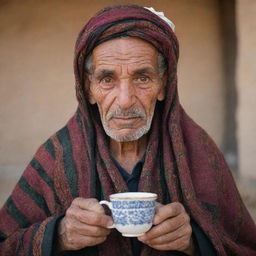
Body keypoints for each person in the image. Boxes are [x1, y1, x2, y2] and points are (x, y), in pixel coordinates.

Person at [0, 4, 255, 256]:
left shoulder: (198, 152)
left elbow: (245, 246)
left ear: (164, 85)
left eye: (143, 78)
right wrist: (58, 235)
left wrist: (192, 242)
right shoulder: (56, 157)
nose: (125, 100)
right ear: (88, 88)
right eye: (107, 79)